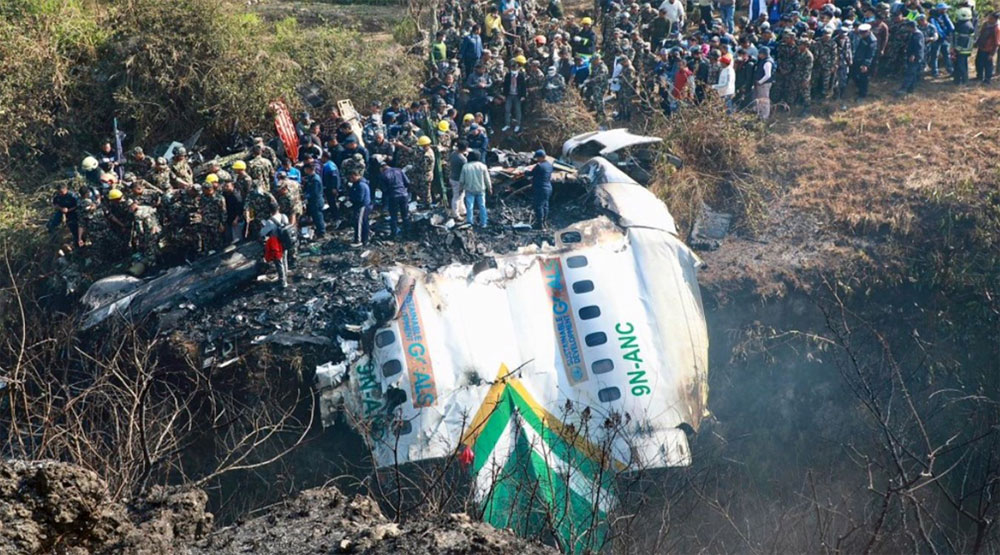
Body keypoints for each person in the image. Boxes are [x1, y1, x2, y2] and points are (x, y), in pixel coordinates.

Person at [260, 206, 291, 289]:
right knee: (285, 259)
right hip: (286, 241)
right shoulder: (284, 216)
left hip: (277, 244)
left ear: (270, 212)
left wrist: (263, 225)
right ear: (278, 209)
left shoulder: (270, 222)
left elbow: (262, 233)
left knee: (279, 263)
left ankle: (283, 282)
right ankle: (286, 275)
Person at [459, 150, 491, 228]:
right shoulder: (483, 166)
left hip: (469, 189)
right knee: (482, 206)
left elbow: (462, 180)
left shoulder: (465, 166)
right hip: (481, 189)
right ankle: (483, 223)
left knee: (470, 206)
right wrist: (490, 188)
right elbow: (487, 179)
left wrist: (461, 188)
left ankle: (470, 222)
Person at [379, 160, 411, 238]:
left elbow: (384, 190)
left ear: (381, 168)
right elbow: (407, 182)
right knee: (405, 215)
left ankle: (394, 234)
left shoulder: (383, 175)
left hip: (393, 197)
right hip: (404, 195)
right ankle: (407, 233)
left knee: (394, 216)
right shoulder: (399, 170)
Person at [898, 19, 926, 94]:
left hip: (915, 57)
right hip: (912, 56)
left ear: (911, 27)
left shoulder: (918, 35)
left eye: (908, 27)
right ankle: (910, 90)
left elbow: (918, 47)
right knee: (912, 74)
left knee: (910, 73)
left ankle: (903, 89)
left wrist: (913, 55)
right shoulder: (913, 34)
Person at [528, 150, 553, 229]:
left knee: (538, 206)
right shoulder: (549, 165)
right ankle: (544, 222)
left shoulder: (539, 166)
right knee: (545, 205)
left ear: (541, 157)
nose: (537, 160)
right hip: (548, 188)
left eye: (538, 158)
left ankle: (540, 224)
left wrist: (524, 171)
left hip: (541, 188)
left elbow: (530, 173)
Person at [346, 170, 372, 247]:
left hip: (362, 206)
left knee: (358, 222)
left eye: (351, 177)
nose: (350, 179)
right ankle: (365, 239)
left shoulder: (361, 185)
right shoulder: (356, 184)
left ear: (356, 175)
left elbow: (359, 198)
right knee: (364, 222)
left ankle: (358, 240)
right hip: (361, 205)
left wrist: (350, 200)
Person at [503, 56, 528, 132]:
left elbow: (523, 86)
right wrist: (504, 95)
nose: (514, 69)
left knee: (518, 110)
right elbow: (505, 85)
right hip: (509, 95)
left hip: (517, 95)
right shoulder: (508, 75)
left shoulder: (521, 76)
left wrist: (523, 95)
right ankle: (507, 124)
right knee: (507, 109)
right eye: (512, 68)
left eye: (515, 68)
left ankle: (518, 125)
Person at [951, 6, 976, 84]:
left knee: (960, 66)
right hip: (964, 50)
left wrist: (956, 50)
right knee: (962, 65)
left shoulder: (964, 26)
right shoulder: (967, 24)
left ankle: (963, 81)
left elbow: (962, 40)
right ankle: (961, 80)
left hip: (961, 50)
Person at [853, 24, 878, 98]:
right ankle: (859, 88)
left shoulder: (872, 40)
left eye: (863, 33)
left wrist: (865, 65)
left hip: (865, 63)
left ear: (868, 32)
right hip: (858, 59)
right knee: (854, 75)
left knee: (864, 78)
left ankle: (862, 94)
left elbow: (870, 54)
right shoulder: (864, 38)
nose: (861, 35)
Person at [301, 162, 326, 238]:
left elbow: (314, 193)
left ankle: (321, 232)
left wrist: (304, 197)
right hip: (313, 202)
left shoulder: (315, 179)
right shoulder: (310, 177)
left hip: (316, 202)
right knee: (315, 218)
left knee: (318, 218)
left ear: (309, 169)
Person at [975, 12, 1000, 85]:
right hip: (981, 47)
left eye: (991, 18)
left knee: (988, 65)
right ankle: (979, 76)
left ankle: (987, 80)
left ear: (995, 19)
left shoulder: (997, 28)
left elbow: (997, 43)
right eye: (989, 17)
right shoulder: (986, 24)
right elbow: (981, 34)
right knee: (978, 62)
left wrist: (992, 54)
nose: (989, 19)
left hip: (989, 50)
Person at [448, 141, 469, 219]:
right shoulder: (463, 159)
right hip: (458, 180)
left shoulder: (453, 154)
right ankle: (455, 214)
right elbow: (465, 171)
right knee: (457, 197)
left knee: (461, 195)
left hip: (452, 177)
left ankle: (462, 210)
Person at [754, 46, 775, 120]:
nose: (759, 55)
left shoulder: (767, 62)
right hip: (762, 84)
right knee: (760, 99)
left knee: (764, 100)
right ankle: (760, 114)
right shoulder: (763, 60)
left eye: (760, 53)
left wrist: (760, 82)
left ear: (764, 54)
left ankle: (765, 116)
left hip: (764, 84)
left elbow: (768, 75)